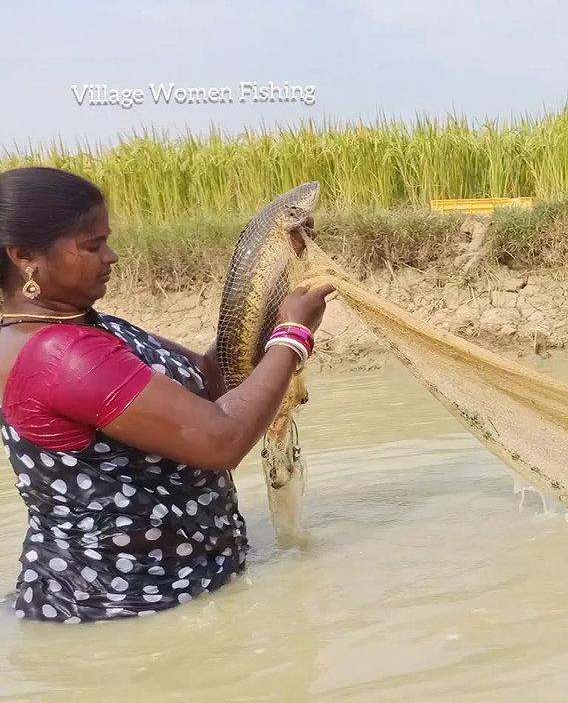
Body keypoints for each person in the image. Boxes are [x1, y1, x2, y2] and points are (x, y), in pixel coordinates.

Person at [0, 165, 335, 623]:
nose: (111, 256)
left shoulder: (84, 326)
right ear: (24, 257)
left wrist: (273, 281)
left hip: (186, 592)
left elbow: (210, 379)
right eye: (92, 245)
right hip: (119, 610)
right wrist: (294, 336)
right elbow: (221, 439)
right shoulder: (58, 355)